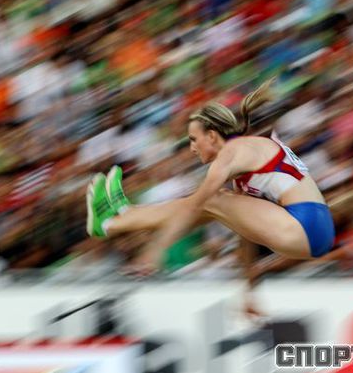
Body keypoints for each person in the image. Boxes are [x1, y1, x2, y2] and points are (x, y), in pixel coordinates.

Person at [86, 80, 335, 274]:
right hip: (311, 230)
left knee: (209, 200)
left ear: (213, 136)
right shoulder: (243, 160)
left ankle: (117, 218)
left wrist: (155, 250)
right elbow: (246, 232)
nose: (192, 148)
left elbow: (195, 205)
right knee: (211, 205)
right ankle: (115, 219)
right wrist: (249, 289)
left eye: (194, 140)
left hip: (304, 227)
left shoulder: (232, 154)